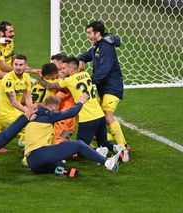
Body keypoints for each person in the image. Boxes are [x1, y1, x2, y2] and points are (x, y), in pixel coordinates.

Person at [39, 57, 129, 161]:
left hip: (88, 119)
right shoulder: (86, 75)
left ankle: (98, 152)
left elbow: (49, 86)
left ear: (71, 69)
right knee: (103, 142)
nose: (62, 70)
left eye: (64, 68)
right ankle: (119, 149)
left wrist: (41, 78)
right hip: (100, 116)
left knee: (79, 151)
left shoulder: (69, 80)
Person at [25, 95, 126, 175]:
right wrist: (81, 101)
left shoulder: (32, 115)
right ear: (54, 107)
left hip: (33, 164)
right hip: (40, 154)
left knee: (60, 163)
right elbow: (72, 112)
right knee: (79, 144)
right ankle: (108, 163)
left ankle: (58, 170)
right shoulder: (48, 114)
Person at [78, 21, 128, 149]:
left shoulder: (106, 47)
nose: (87, 35)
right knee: (98, 118)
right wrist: (80, 59)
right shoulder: (98, 45)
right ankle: (103, 142)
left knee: (107, 115)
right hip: (104, 88)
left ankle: (123, 147)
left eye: (89, 33)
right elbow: (88, 55)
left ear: (97, 33)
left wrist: (89, 81)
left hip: (112, 86)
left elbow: (104, 70)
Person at [0, 55, 33, 148]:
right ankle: (28, 155)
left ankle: (23, 141)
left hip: (17, 112)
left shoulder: (27, 77)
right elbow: (13, 101)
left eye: (21, 65)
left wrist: (31, 109)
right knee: (31, 126)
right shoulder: (8, 79)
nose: (18, 67)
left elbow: (28, 97)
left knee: (36, 122)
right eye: (15, 64)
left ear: (26, 66)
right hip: (6, 114)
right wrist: (26, 111)